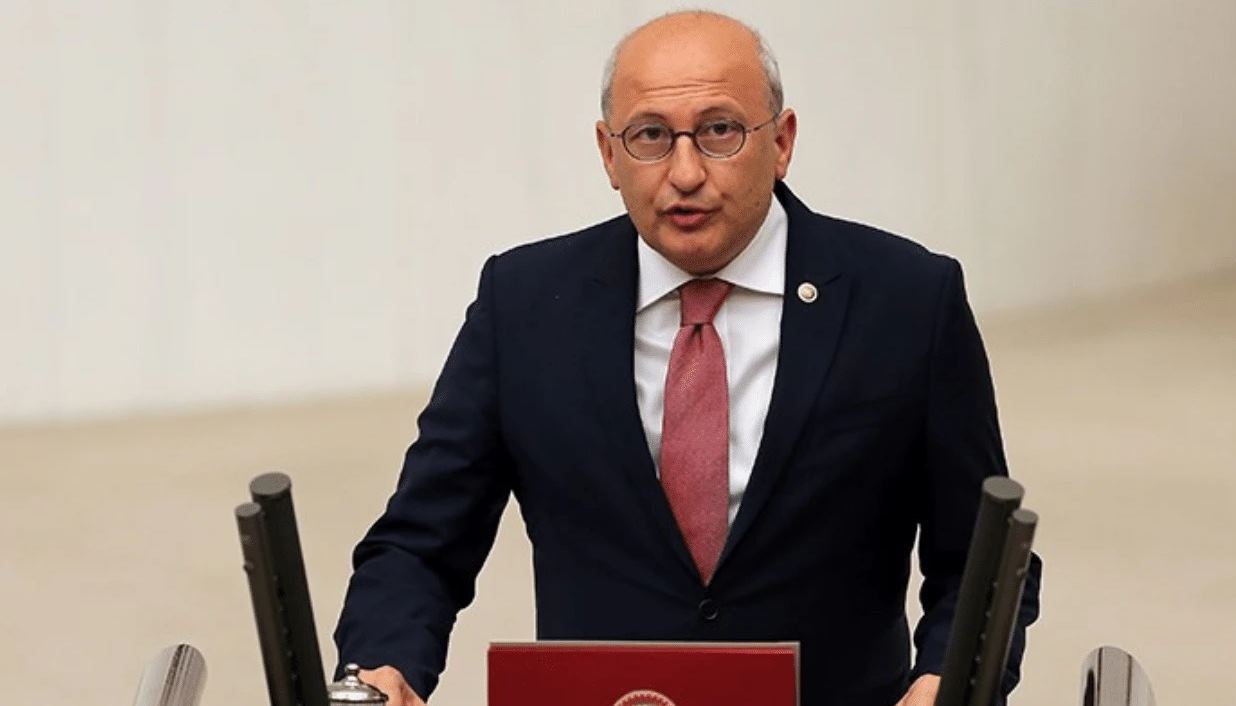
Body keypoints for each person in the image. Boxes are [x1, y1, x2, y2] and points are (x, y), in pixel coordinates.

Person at [334, 10, 1041, 706]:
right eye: (649, 136)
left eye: (719, 131)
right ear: (608, 154)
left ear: (782, 141)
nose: (685, 172)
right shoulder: (524, 304)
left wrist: (945, 682)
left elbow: (981, 560)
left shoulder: (907, 301)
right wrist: (382, 669)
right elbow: (420, 544)